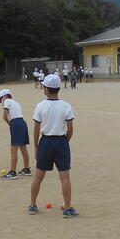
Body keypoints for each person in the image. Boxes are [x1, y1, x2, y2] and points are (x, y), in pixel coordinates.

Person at [28, 73, 78, 218]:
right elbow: (70, 129)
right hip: (61, 141)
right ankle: (67, 208)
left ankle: (33, 205)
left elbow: (36, 129)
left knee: (39, 175)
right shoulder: (66, 106)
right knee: (64, 177)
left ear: (46, 89)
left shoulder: (40, 106)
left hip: (46, 142)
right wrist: (65, 142)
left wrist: (36, 147)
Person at [0, 89, 31, 180]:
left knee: (13, 149)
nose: (1, 101)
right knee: (23, 147)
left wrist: (10, 124)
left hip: (16, 123)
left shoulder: (7, 101)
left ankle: (12, 172)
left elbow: (4, 117)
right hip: (22, 123)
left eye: (1, 99)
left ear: (4, 96)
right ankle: (27, 169)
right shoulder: (16, 102)